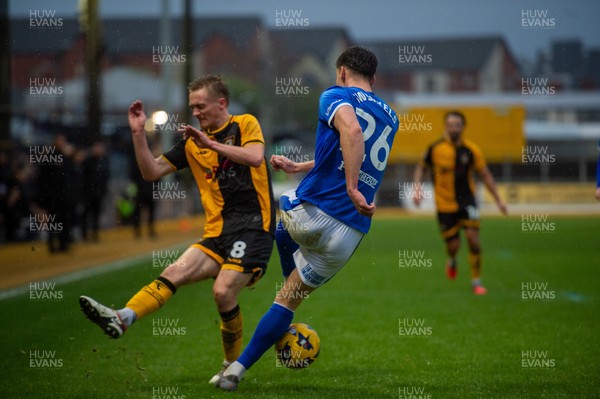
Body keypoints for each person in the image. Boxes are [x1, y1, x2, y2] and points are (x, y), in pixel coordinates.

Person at [217, 46, 399, 391]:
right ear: (373, 78)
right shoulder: (392, 115)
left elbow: (353, 134)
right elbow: (351, 152)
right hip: (349, 233)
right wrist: (301, 166)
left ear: (343, 71)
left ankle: (247, 266)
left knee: (277, 205)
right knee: (287, 299)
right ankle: (235, 372)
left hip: (316, 210)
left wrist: (350, 189)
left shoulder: (335, 94)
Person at [79, 75, 275, 384]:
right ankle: (123, 318)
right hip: (216, 232)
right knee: (174, 271)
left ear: (221, 103)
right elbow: (151, 171)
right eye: (192, 107)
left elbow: (254, 157)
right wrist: (137, 134)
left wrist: (210, 144)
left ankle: (231, 366)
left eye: (200, 106)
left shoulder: (244, 124)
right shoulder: (191, 144)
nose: (195, 113)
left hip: (253, 228)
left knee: (222, 292)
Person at [412, 111, 508, 295]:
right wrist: (417, 189)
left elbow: (485, 175)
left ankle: (476, 282)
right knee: (454, 245)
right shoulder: (435, 148)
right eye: (450, 124)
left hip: (468, 201)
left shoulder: (471, 150)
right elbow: (420, 167)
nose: (454, 127)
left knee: (473, 240)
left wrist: (499, 200)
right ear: (445, 126)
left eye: (457, 124)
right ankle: (453, 259)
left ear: (463, 127)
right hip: (444, 204)